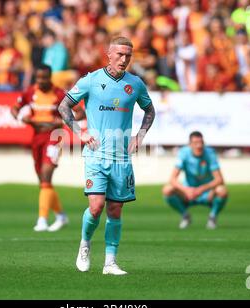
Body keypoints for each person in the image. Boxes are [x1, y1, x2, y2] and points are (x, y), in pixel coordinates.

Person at [58, 36, 156, 275]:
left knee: (115, 210)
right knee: (96, 207)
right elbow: (63, 106)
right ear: (108, 54)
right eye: (120, 54)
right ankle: (84, 244)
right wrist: (80, 132)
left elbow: (149, 110)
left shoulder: (136, 84)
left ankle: (110, 263)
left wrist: (140, 135)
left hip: (122, 158)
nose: (124, 60)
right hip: (96, 156)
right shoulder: (91, 80)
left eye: (128, 56)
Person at [11, 64, 85, 232]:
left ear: (50, 77)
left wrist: (63, 120)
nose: (41, 81)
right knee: (43, 182)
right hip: (36, 137)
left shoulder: (60, 94)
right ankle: (61, 216)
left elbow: (80, 113)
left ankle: (42, 220)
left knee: (45, 175)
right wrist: (21, 117)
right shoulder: (30, 92)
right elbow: (14, 109)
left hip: (55, 136)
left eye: (44, 78)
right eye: (38, 78)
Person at [162, 131, 228, 230]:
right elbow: (172, 179)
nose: (199, 146)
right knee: (167, 189)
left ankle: (212, 217)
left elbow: (219, 179)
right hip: (188, 193)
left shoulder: (210, 153)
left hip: (207, 192)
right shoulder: (184, 153)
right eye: (196, 143)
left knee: (222, 190)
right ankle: (185, 216)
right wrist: (186, 190)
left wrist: (201, 189)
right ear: (190, 144)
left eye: (201, 142)